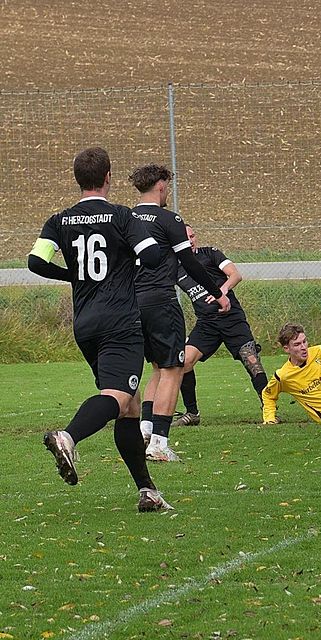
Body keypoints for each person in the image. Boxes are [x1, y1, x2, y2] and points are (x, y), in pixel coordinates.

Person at [27, 146, 172, 512]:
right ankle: (68, 436)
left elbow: (35, 261)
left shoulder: (58, 220)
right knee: (119, 396)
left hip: (85, 323)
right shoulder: (122, 216)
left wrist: (72, 275)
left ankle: (148, 490)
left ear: (79, 179)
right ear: (108, 177)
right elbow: (153, 256)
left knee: (129, 407)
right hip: (120, 322)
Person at [129, 164, 230, 462]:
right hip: (160, 301)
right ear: (160, 185)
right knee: (173, 368)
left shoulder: (126, 218)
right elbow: (191, 262)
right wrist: (217, 291)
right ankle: (159, 444)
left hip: (131, 304)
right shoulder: (168, 219)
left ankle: (145, 431)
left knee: (156, 369)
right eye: (167, 186)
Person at [172, 225, 268, 425]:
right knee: (184, 361)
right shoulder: (176, 266)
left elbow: (235, 275)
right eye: (186, 237)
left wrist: (221, 291)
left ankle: (269, 408)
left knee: (252, 362)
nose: (190, 240)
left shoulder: (210, 253)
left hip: (232, 319)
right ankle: (192, 414)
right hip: (206, 324)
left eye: (192, 236)